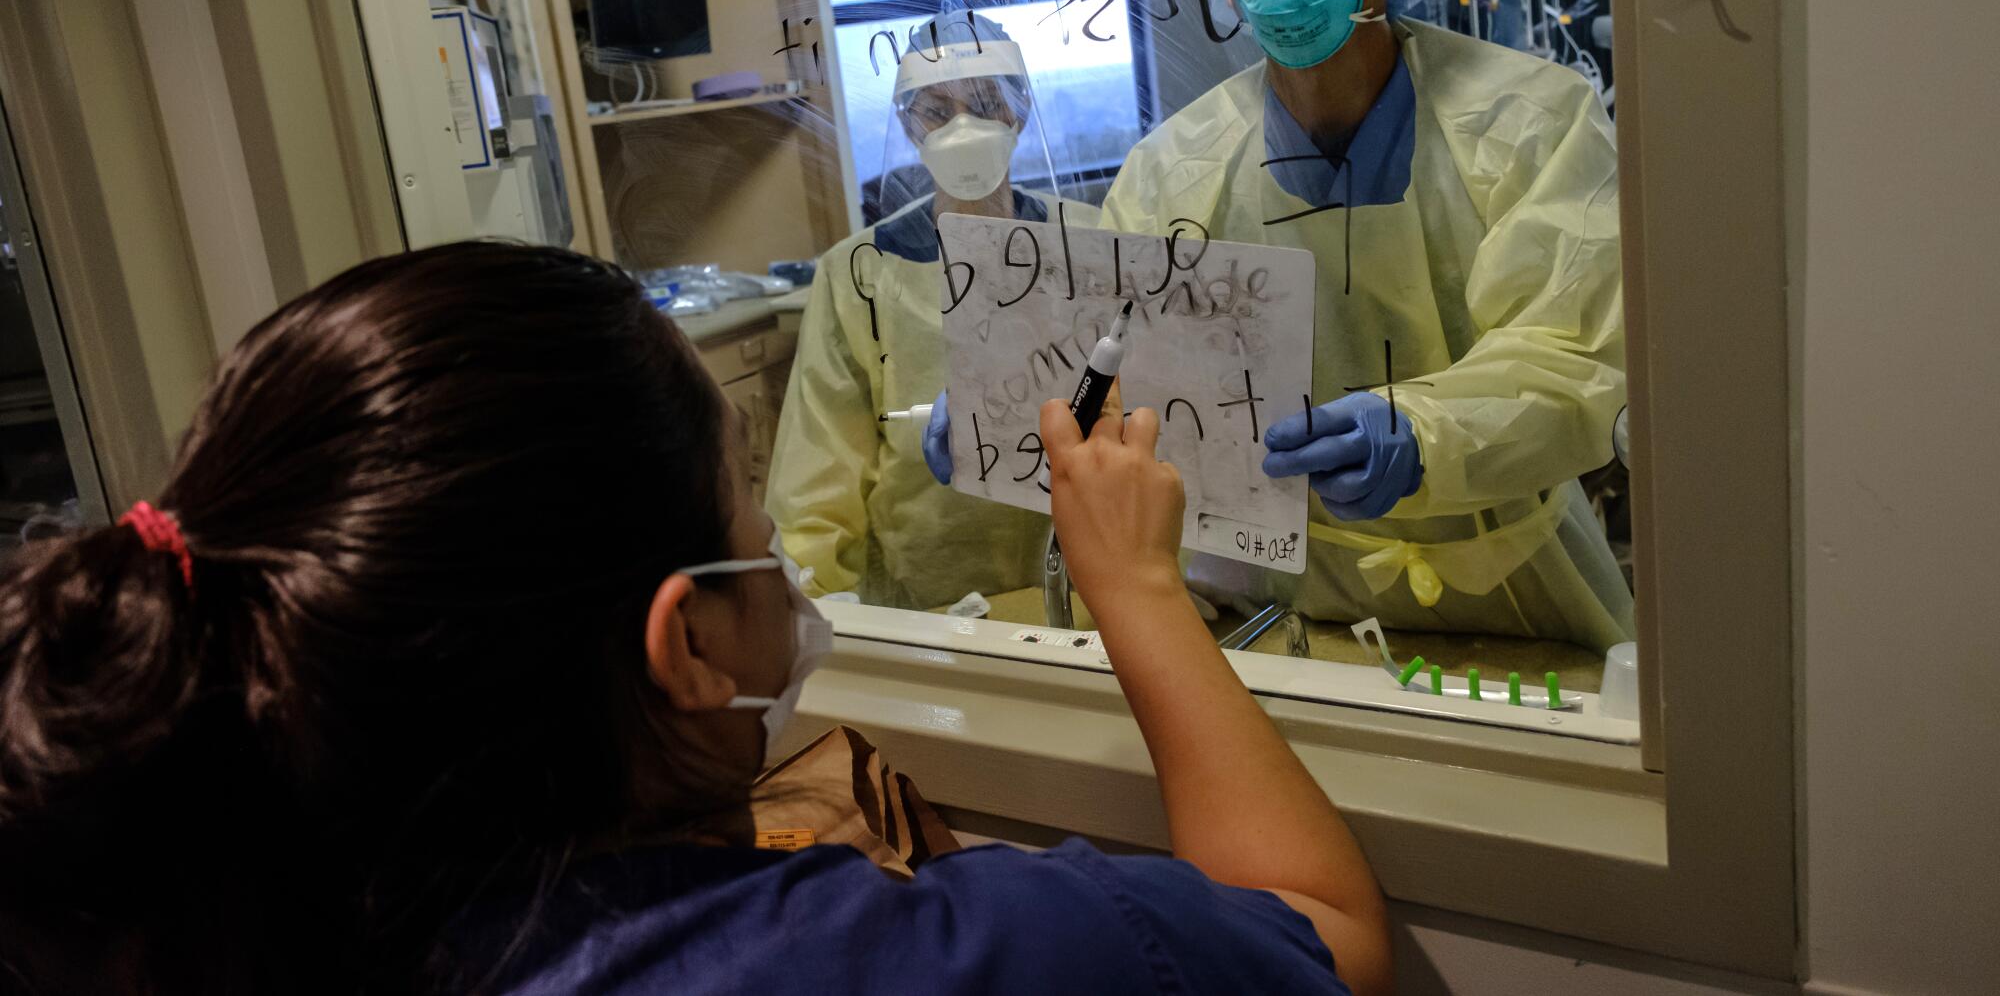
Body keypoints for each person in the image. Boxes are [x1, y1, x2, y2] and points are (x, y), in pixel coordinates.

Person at [0, 242, 1388, 995]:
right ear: (684, 647)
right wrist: (1141, 590)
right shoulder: (899, 958)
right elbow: (1323, 937)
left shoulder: (229, 901)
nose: (778, 563)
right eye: (751, 529)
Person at [1096, 0, 1634, 652]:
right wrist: (1007, 416)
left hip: (1517, 600)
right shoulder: (1173, 172)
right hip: (1288, 611)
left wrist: (1424, 433)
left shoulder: (1531, 121)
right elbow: (1111, 363)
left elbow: (1577, 356)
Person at [767, 12, 1100, 611]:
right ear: (908, 124)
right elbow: (819, 470)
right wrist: (815, 609)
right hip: (930, 604)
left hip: (1090, 585)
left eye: (984, 103)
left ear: (1018, 112)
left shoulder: (1094, 241)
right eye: (937, 111)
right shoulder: (860, 273)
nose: (963, 129)